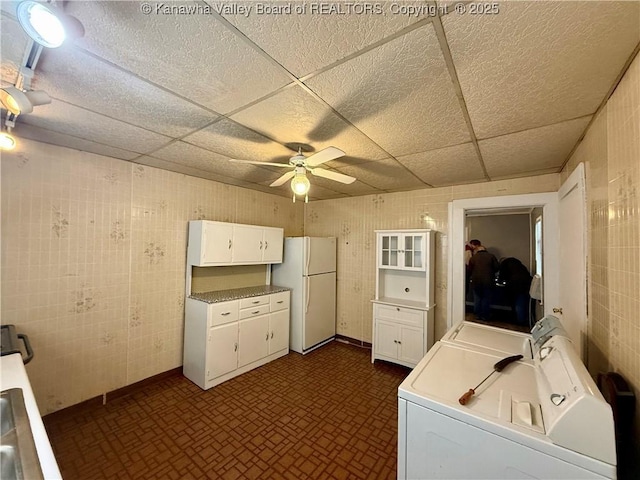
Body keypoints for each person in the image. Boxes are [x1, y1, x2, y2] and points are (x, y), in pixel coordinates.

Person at [468, 239, 499, 321]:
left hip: (476, 281)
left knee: (477, 298)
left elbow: (469, 269)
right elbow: (497, 268)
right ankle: (485, 315)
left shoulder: (473, 258)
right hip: (488, 281)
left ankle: (477, 315)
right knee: (486, 298)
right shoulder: (491, 256)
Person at [498, 257, 533, 326]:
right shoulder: (518, 263)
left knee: (517, 303)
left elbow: (502, 277)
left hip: (514, 284)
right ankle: (523, 319)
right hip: (526, 283)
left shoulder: (504, 264)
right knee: (522, 302)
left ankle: (520, 321)